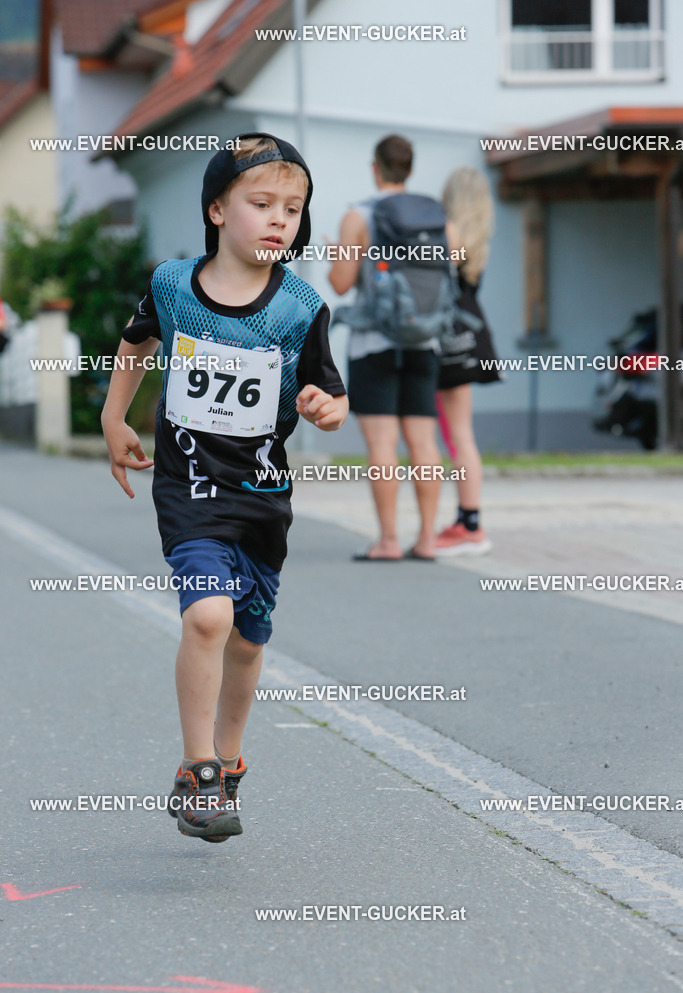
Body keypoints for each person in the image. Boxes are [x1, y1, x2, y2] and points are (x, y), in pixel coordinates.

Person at [101, 134, 348, 842]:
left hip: (262, 495)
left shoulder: (300, 307)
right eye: (261, 203)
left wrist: (327, 410)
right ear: (216, 209)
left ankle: (230, 757)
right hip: (189, 483)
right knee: (208, 617)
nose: (279, 220)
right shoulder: (173, 285)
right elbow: (137, 340)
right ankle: (198, 769)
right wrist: (115, 416)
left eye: (292, 209)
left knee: (245, 639)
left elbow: (331, 394)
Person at [329, 135, 442, 561]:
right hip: (424, 339)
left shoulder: (358, 216)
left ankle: (389, 541)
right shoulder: (435, 216)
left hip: (374, 341)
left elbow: (341, 283)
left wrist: (338, 257)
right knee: (424, 443)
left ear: (375, 168)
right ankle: (427, 538)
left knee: (382, 443)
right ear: (410, 170)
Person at [435, 167, 496, 557]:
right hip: (471, 335)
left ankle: (470, 525)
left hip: (448, 338)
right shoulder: (479, 238)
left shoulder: (448, 233)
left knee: (456, 434)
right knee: (460, 434)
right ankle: (468, 520)